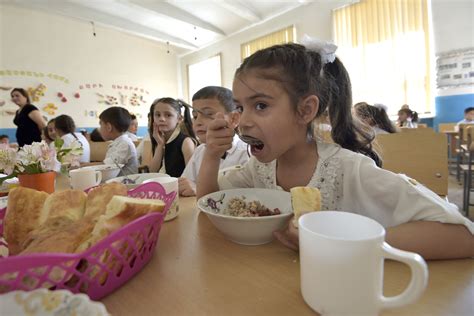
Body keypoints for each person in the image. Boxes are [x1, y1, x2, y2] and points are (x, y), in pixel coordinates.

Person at [196, 41, 473, 260]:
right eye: (240, 107)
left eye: (261, 106)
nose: (243, 121)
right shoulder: (260, 168)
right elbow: (210, 204)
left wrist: (344, 243)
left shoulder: (350, 170)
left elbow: (463, 235)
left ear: (305, 110)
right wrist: (210, 154)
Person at [179, 86, 249, 197]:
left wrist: (197, 188)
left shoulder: (247, 153)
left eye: (208, 114)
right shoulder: (200, 151)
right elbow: (184, 183)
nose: (198, 122)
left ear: (233, 119)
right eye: (195, 116)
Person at [148, 97, 197, 177]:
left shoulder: (186, 142)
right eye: (158, 115)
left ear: (179, 119)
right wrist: (160, 145)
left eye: (168, 115)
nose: (162, 119)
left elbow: (192, 175)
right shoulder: (160, 139)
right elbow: (153, 171)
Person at [99, 107, 138, 176]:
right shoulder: (118, 142)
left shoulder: (125, 144)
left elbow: (106, 167)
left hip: (125, 185)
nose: (100, 129)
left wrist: (82, 166)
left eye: (101, 125)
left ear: (109, 127)